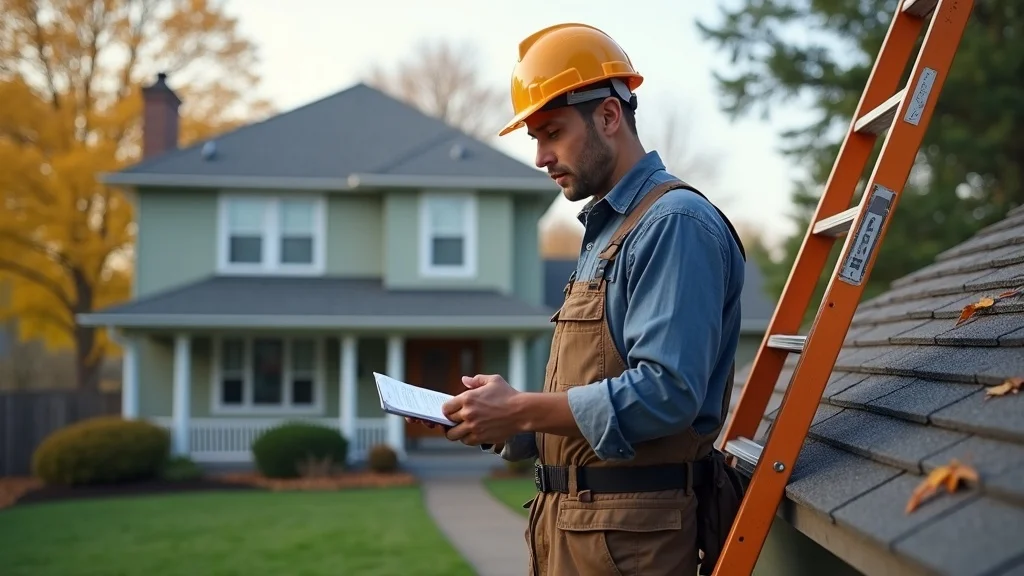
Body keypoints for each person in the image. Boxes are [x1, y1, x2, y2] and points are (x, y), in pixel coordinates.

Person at [408, 22, 747, 576]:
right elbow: (591, 399)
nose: (541, 157)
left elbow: (668, 392)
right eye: (535, 138)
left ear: (609, 116)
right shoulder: (608, 233)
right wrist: (504, 420)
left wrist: (519, 409)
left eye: (552, 132)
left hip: (633, 545)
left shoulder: (673, 224)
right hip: (580, 534)